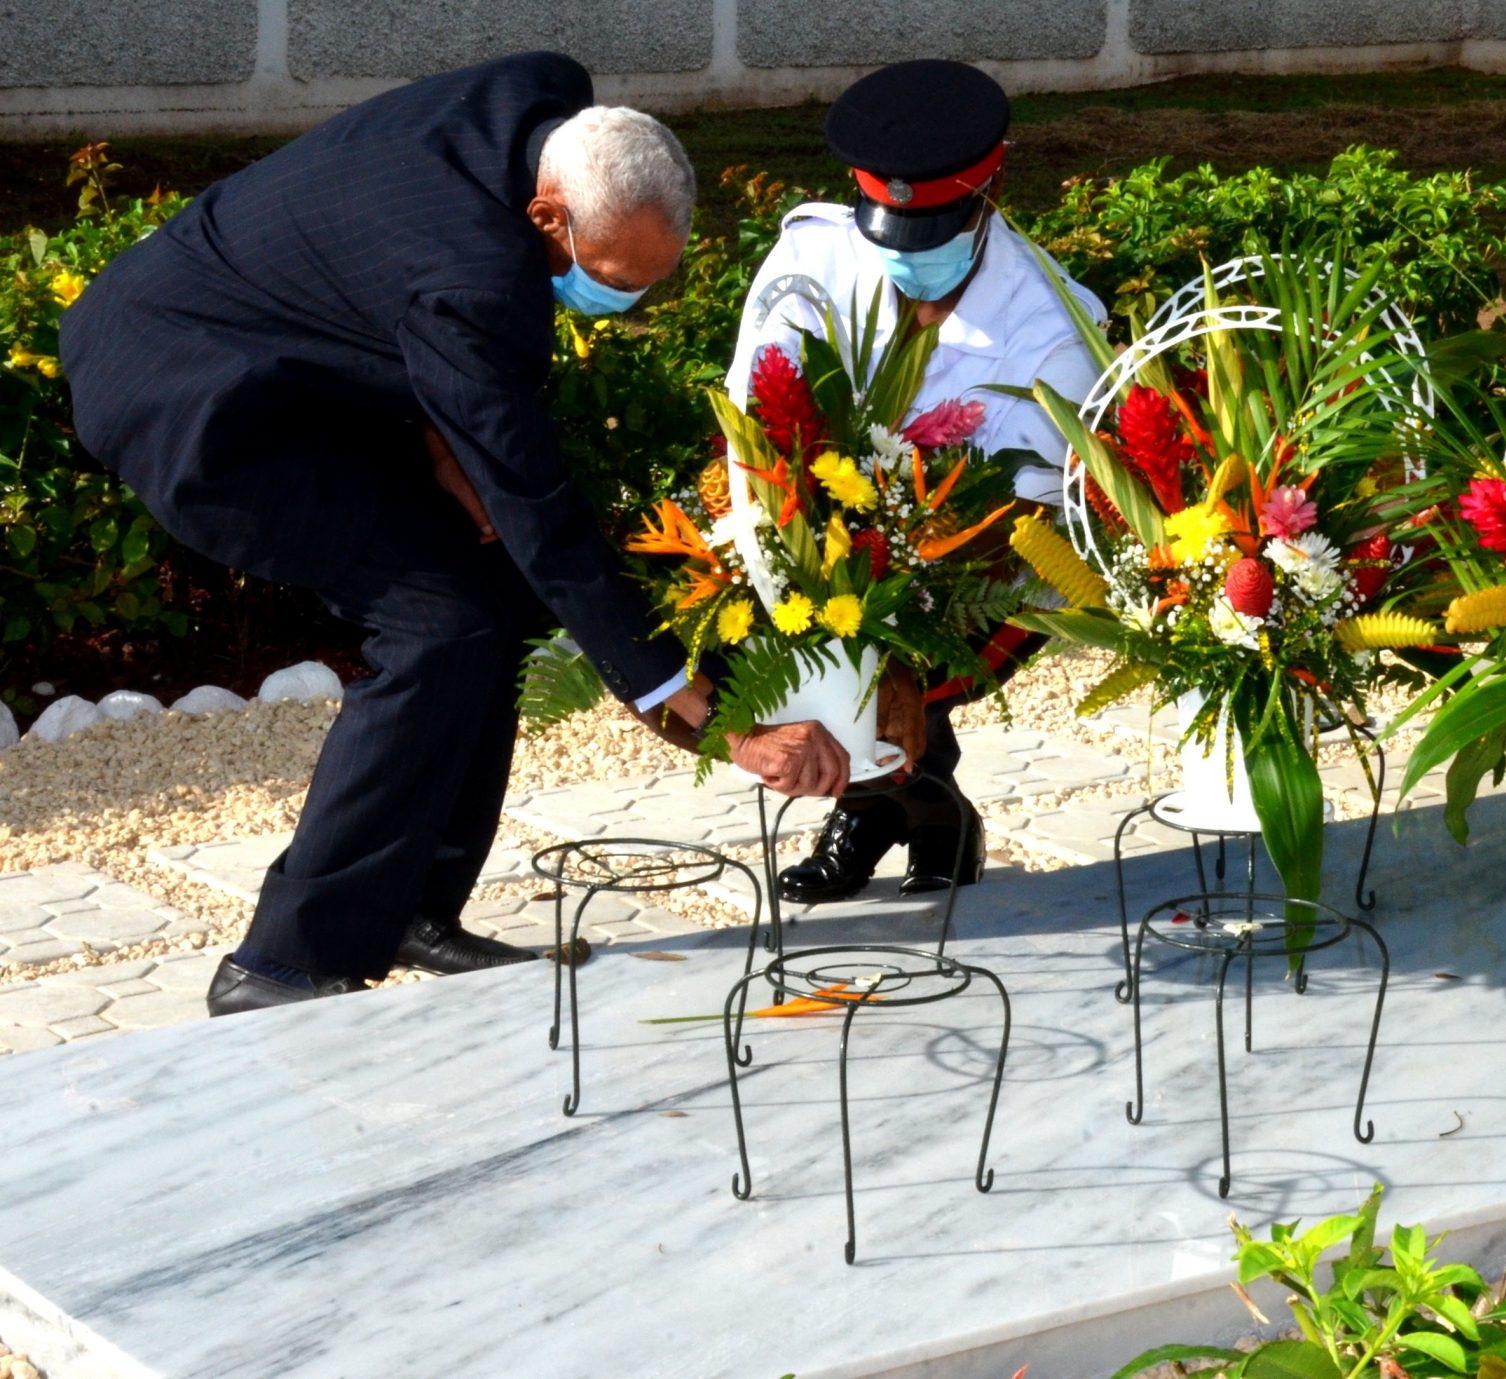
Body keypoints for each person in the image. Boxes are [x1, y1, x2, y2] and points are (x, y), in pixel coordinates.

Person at [60, 52, 845, 1015]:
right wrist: (711, 712)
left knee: (492, 601)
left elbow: (382, 273)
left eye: (645, 285)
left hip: (279, 346)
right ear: (546, 217)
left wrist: (443, 424)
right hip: (192, 400)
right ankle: (282, 962)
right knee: (439, 622)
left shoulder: (539, 98)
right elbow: (542, 518)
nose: (621, 305)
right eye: (603, 280)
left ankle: (408, 908)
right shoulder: (477, 283)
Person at [722, 59, 1105, 904]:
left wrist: (886, 643)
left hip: (979, 562)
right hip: (826, 524)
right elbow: (757, 437)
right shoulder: (812, 256)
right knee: (736, 609)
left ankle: (896, 803)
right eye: (891, 231)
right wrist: (784, 573)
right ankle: (913, 807)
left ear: (989, 188)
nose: (908, 259)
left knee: (907, 662)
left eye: (935, 234)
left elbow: (1019, 531)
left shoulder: (1054, 330)